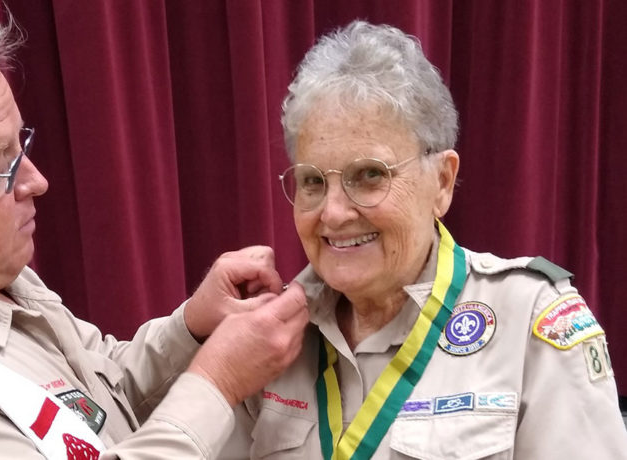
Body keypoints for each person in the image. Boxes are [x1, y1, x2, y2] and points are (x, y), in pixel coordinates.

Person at [0, 8, 309, 459]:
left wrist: (189, 328)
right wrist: (218, 381)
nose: (35, 181)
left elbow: (93, 400)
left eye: (20, 145)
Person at [220, 20, 627, 459]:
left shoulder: (529, 321)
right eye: (313, 181)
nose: (334, 213)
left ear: (442, 182)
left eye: (369, 174)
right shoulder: (268, 336)